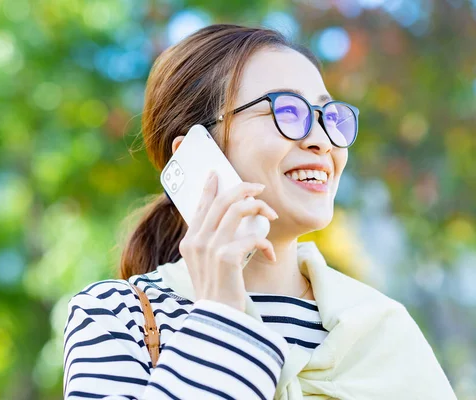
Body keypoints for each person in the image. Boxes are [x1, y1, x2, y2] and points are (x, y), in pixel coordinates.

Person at [63, 24, 457, 399]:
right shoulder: (114, 316)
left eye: (329, 116)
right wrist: (220, 314)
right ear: (196, 153)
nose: (321, 140)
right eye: (288, 112)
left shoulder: (381, 328)